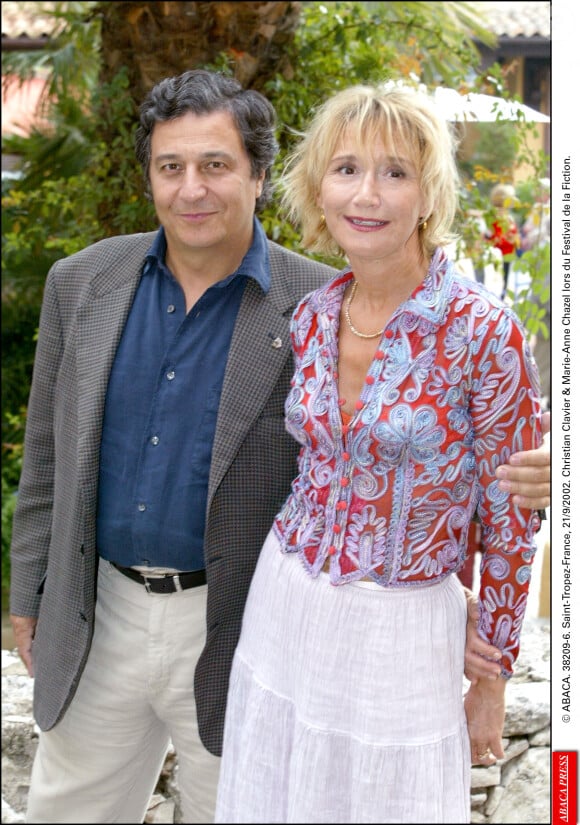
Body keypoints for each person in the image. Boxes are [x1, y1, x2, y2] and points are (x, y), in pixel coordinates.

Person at [8, 71, 550, 825]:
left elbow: (487, 488)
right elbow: (46, 461)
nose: (192, 188)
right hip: (179, 614)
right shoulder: (104, 287)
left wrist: (490, 656)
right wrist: (29, 593)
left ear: (260, 176)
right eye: (171, 167)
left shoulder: (380, 310)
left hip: (282, 625)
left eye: (216, 165)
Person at [215, 83, 544, 824]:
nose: (368, 193)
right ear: (318, 191)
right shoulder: (312, 314)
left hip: (404, 629)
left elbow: (511, 517)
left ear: (429, 194)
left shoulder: (484, 333)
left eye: (395, 172)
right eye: (347, 170)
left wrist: (489, 677)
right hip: (287, 603)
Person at [485, 182, 521, 299]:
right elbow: (495, 236)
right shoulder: (499, 216)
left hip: (507, 253)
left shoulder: (504, 215)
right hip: (501, 254)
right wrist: (511, 239)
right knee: (500, 283)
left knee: (504, 283)